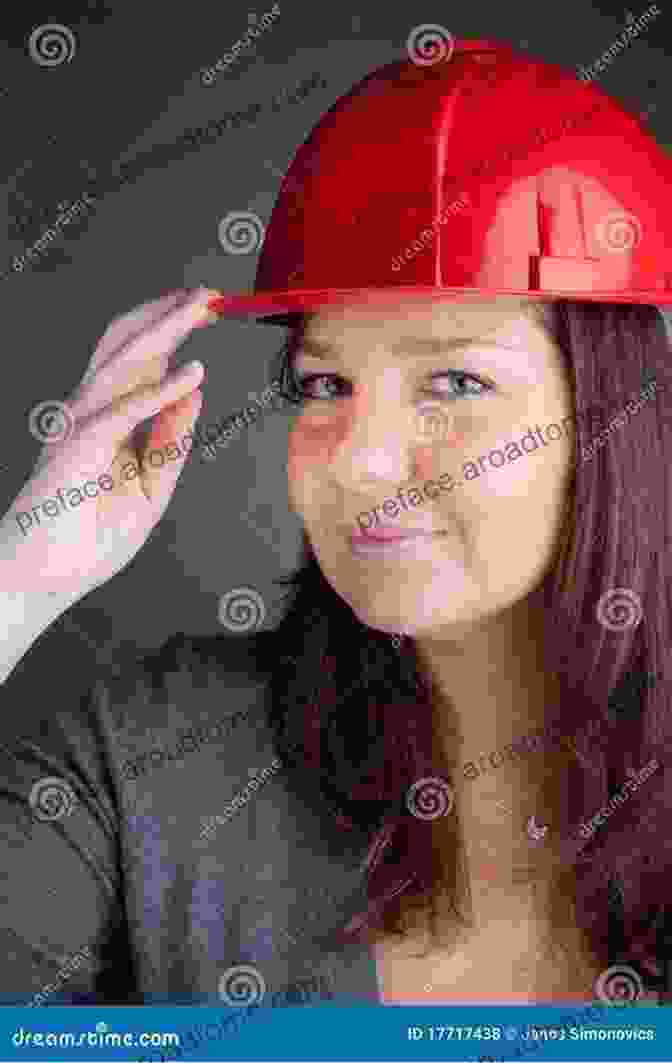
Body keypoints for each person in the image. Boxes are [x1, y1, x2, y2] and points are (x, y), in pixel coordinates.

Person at [1, 35, 671, 1018]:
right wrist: (21, 579)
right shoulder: (151, 761)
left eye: (455, 381)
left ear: (622, 417)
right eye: (325, 384)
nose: (357, 458)